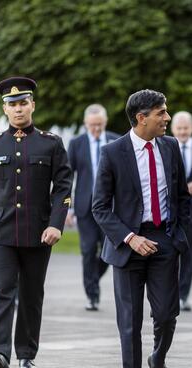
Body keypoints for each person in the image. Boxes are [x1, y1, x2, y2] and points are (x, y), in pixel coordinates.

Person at [92, 89, 190, 368]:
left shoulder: (171, 147)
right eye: (162, 113)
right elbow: (100, 208)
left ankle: (158, 359)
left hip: (163, 241)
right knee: (130, 324)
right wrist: (130, 238)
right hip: (127, 246)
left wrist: (177, 238)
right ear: (141, 118)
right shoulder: (112, 152)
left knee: (166, 314)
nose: (167, 118)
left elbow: (181, 197)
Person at [0, 76, 73, 368]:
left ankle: (26, 354)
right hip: (0, 232)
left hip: (38, 232)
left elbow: (63, 188)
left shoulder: (51, 144)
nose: (18, 109)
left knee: (31, 293)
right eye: (12, 104)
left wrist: (56, 225)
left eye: (23, 103)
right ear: (4, 109)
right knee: (1, 292)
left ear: (32, 105)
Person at [66, 104, 120, 311]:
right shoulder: (76, 143)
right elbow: (68, 177)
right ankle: (92, 295)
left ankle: (92, 278)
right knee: (88, 250)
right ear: (85, 124)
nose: (96, 129)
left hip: (110, 206)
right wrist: (67, 209)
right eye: (92, 125)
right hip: (85, 206)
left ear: (105, 122)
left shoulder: (116, 140)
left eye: (99, 125)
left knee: (109, 250)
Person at [170, 111, 192, 312]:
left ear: (191, 128)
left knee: (188, 257)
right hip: (169, 212)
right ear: (174, 129)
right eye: (179, 128)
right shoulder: (166, 147)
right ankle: (170, 295)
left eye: (185, 128)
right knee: (169, 257)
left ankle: (183, 296)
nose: (182, 132)